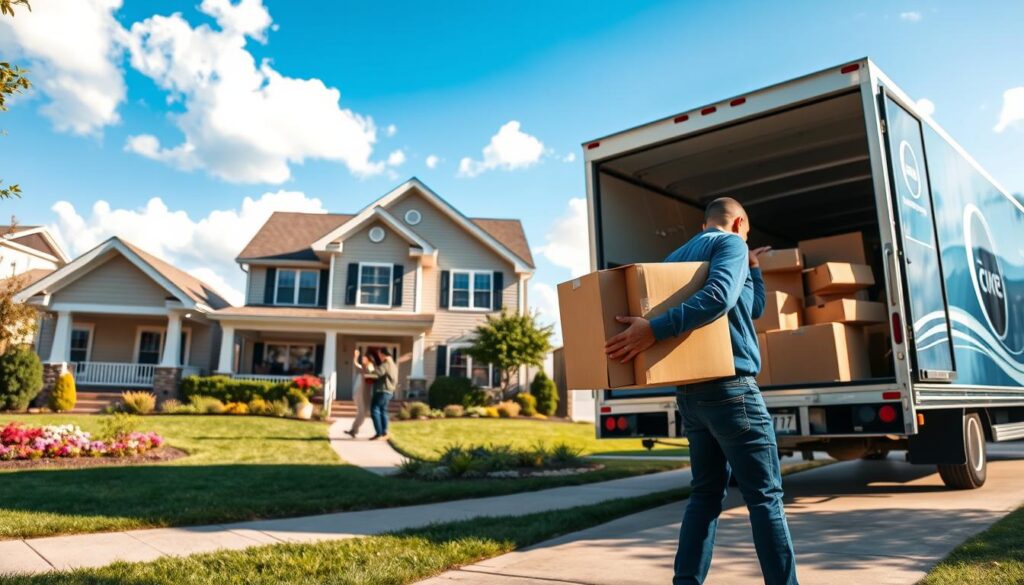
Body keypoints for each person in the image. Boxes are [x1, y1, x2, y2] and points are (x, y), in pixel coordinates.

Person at [604, 197, 798, 585]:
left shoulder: (676, 255)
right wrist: (654, 330)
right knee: (764, 498)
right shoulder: (731, 245)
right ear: (740, 222)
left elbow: (751, 308)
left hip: (692, 397)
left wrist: (754, 270)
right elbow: (719, 298)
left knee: (706, 496)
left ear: (702, 223)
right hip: (733, 392)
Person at [361, 347, 398, 440]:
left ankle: (379, 433)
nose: (379, 357)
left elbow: (377, 373)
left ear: (383, 354)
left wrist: (369, 367)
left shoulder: (386, 363)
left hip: (382, 390)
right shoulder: (393, 364)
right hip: (389, 391)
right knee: (383, 411)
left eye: (379, 355)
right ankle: (384, 432)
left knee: (374, 410)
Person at [345, 349, 374, 438]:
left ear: (369, 359)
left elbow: (371, 377)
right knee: (361, 412)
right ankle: (354, 430)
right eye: (363, 358)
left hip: (364, 392)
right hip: (360, 392)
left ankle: (354, 430)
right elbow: (356, 364)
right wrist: (356, 356)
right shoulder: (364, 367)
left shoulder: (370, 367)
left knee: (362, 412)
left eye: (364, 358)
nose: (363, 359)